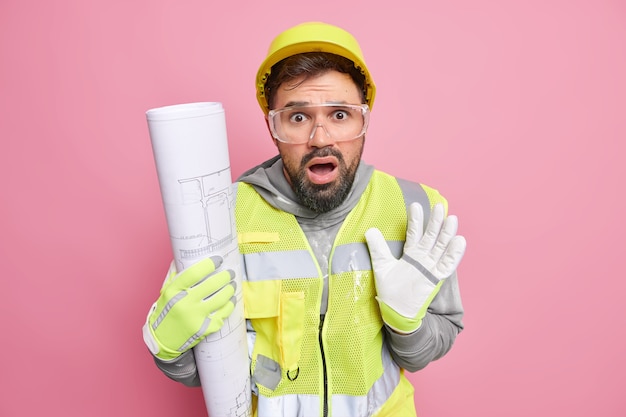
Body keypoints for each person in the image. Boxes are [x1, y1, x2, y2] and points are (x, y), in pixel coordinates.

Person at [142, 21, 467, 417]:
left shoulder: (414, 209)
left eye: (340, 114)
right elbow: (206, 371)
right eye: (297, 118)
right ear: (272, 127)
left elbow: (426, 349)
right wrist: (170, 350)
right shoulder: (223, 216)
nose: (320, 138)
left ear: (364, 121)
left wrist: (407, 326)